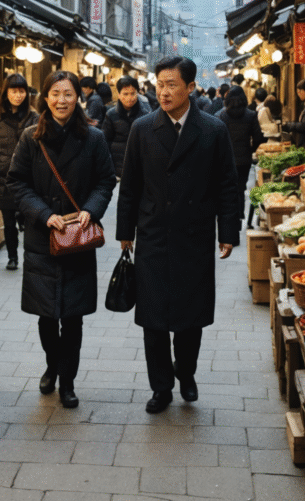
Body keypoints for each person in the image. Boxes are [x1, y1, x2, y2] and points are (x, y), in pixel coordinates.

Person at [116, 56, 240, 414]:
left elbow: (227, 186)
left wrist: (227, 232)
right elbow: (130, 186)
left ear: (190, 87)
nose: (164, 92)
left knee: (190, 318)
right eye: (160, 85)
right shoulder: (143, 128)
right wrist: (125, 231)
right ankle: (161, 387)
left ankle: (186, 374)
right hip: (153, 234)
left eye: (172, 85)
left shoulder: (213, 130)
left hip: (194, 236)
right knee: (153, 319)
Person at [7, 70, 117, 409]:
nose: (61, 100)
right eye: (55, 93)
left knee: (72, 317)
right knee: (45, 316)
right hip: (42, 238)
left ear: (77, 98)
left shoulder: (93, 138)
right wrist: (43, 213)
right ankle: (52, 365)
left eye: (68, 93)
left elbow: (105, 181)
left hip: (77, 239)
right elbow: (16, 182)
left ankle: (67, 380)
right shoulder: (31, 137)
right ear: (45, 97)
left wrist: (91, 209)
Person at [0, 73, 40, 271]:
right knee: (8, 221)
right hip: (3, 177)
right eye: (14, 91)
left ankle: (32, 256)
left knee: (30, 219)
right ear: (6, 93)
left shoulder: (34, 117)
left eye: (22, 91)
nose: (18, 95)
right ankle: (12, 257)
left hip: (28, 177)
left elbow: (41, 143)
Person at [217, 84, 264, 212]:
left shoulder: (221, 116)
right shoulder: (251, 115)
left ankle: (230, 214)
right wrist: (251, 149)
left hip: (226, 160)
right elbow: (258, 138)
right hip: (244, 160)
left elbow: (217, 140)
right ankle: (240, 213)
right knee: (241, 187)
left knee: (227, 188)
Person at [101, 75, 151, 178]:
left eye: (133, 93)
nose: (129, 98)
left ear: (138, 93)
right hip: (116, 168)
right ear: (119, 94)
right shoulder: (111, 114)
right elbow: (105, 142)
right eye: (125, 94)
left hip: (139, 168)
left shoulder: (146, 115)